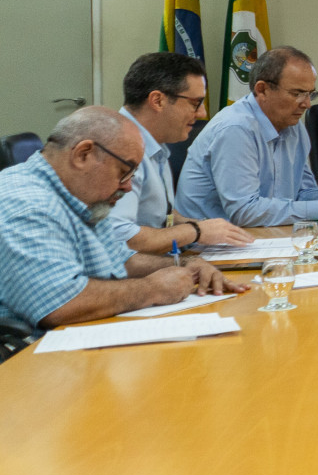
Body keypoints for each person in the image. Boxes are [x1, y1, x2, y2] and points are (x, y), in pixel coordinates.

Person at [0, 107, 246, 336]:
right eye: (124, 171)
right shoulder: (24, 203)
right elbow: (58, 303)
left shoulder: (83, 197)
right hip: (30, 360)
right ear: (83, 154)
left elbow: (120, 259)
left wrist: (183, 264)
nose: (128, 186)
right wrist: (152, 289)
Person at [176, 47, 318, 226]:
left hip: (265, 238)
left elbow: (303, 193)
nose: (307, 104)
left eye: (311, 94)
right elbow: (244, 212)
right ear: (262, 89)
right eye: (297, 93)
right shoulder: (236, 129)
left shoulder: (293, 126)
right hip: (208, 249)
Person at [103, 53, 250, 254]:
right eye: (195, 103)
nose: (202, 114)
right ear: (158, 101)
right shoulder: (117, 146)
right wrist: (195, 231)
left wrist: (208, 227)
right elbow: (121, 238)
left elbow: (155, 214)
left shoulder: (155, 145)